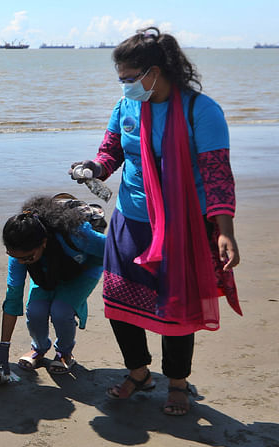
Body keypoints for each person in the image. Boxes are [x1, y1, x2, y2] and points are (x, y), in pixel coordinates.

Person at [71, 27, 240, 415]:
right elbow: (111, 151)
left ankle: (177, 383)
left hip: (184, 225)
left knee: (175, 309)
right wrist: (94, 168)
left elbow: (216, 175)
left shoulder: (202, 111)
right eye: (122, 79)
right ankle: (139, 372)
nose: (126, 85)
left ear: (157, 71)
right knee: (118, 301)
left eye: (131, 78)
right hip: (131, 219)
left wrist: (225, 231)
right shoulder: (126, 106)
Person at [0, 196, 105, 384]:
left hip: (83, 268)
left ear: (43, 242)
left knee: (61, 311)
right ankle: (39, 349)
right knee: (35, 311)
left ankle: (65, 353)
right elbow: (13, 298)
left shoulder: (77, 235)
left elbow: (114, 250)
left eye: (26, 258)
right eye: (14, 256)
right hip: (44, 271)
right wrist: (4, 347)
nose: (20, 262)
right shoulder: (20, 252)